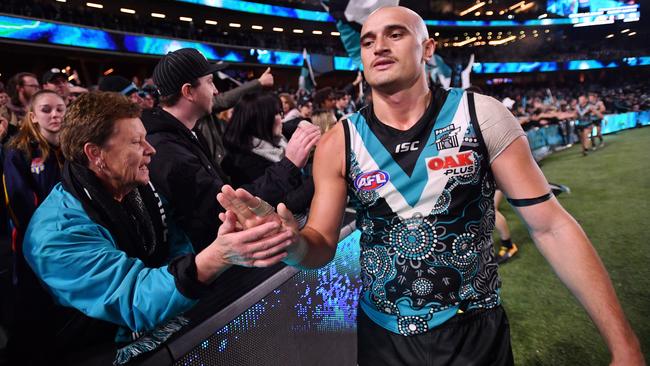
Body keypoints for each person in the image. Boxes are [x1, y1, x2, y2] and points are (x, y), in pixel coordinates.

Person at [218, 6, 644, 366]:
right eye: (367, 41)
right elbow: (320, 245)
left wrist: (624, 344)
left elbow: (552, 227)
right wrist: (290, 242)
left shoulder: (484, 116)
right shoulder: (337, 143)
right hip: (382, 338)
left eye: (395, 34)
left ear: (427, 48)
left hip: (475, 332)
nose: (378, 46)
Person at [17, 91, 292, 365]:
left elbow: (173, 244)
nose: (151, 150)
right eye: (137, 142)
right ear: (95, 154)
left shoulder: (136, 187)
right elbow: (133, 298)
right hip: (80, 348)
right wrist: (215, 258)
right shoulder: (55, 234)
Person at [142, 48, 319, 251]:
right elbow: (226, 208)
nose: (216, 91)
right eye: (209, 82)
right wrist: (289, 165)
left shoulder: (186, 133)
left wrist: (293, 127)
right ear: (188, 92)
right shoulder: (169, 152)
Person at [222, 92, 317, 226]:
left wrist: (303, 123)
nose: (282, 119)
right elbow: (282, 204)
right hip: (283, 226)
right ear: (261, 120)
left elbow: (291, 124)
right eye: (278, 114)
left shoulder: (276, 140)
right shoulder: (243, 162)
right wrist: (321, 177)